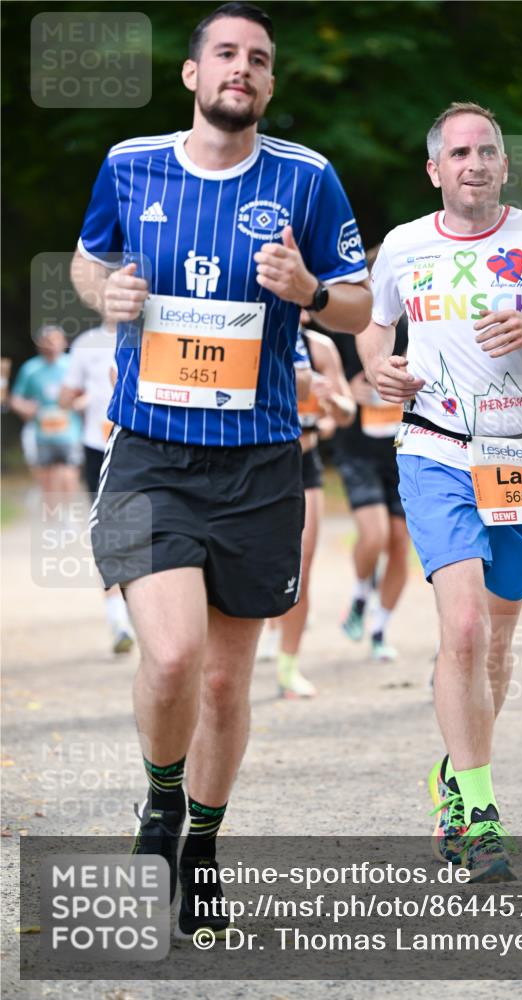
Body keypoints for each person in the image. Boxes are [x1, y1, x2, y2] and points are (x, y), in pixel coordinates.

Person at [70, 1, 370, 939]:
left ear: (269, 84)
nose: (243, 68)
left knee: (226, 686)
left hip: (260, 462)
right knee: (170, 658)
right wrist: (107, 290)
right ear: (194, 75)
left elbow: (359, 307)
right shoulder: (131, 164)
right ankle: (161, 805)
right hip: (151, 451)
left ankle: (202, 843)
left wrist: (313, 294)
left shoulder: (307, 179)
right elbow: (88, 264)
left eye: (260, 59)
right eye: (226, 54)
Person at [357, 101, 522, 880]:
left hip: (519, 459)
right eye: (459, 152)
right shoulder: (404, 246)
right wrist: (379, 367)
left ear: (504, 165)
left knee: (497, 640)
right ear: (435, 170)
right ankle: (478, 814)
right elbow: (374, 326)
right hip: (435, 450)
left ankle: (453, 775)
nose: (474, 163)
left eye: (488, 151)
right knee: (464, 627)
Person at [275, 318, 356, 697]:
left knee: (301, 566)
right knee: (250, 563)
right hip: (259, 464)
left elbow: (346, 413)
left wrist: (331, 401)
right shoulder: (257, 330)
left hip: (305, 464)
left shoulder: (320, 347)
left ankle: (288, 666)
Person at [332, 301, 410, 661]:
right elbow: (328, 378)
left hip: (403, 450)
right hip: (358, 450)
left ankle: (381, 628)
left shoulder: (418, 324)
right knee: (374, 534)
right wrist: (348, 389)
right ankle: (361, 594)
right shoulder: (346, 325)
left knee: (398, 541)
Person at [59, 323, 135, 654]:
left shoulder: (152, 328)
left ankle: (147, 612)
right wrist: (76, 395)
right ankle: (118, 619)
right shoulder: (86, 343)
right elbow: (66, 397)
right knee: (108, 535)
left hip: (143, 446)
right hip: (99, 448)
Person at [10, 325, 82, 505]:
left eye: (55, 340)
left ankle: (68, 514)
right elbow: (16, 399)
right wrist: (26, 408)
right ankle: (51, 516)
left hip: (70, 430)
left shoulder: (72, 365)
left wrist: (78, 404)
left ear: (64, 343)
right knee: (46, 477)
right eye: (46, 341)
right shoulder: (30, 369)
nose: (51, 345)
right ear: (39, 345)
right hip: (41, 432)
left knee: (69, 472)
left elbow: (87, 393)